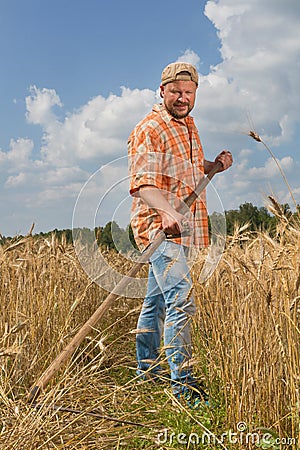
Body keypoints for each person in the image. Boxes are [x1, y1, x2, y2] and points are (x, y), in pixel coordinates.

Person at [128, 62, 232, 407]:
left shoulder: (188, 124)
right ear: (162, 91)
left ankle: (146, 371)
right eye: (175, 91)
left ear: (195, 93)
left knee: (157, 300)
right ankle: (184, 388)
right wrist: (165, 210)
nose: (182, 98)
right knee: (181, 300)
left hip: (181, 225)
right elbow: (142, 183)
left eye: (188, 92)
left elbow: (185, 165)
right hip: (158, 228)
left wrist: (212, 165)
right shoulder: (150, 128)